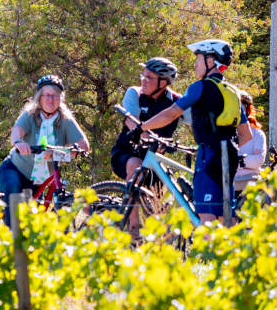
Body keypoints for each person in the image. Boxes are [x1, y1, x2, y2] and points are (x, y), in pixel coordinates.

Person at [139, 39, 251, 224]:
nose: (195, 64)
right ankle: (232, 252)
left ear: (210, 61)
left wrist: (142, 127)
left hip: (209, 156)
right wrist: (225, 144)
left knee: (206, 217)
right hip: (229, 156)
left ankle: (206, 252)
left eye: (198, 59)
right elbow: (247, 135)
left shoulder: (200, 87)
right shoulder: (232, 92)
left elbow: (171, 114)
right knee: (225, 217)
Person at [0, 75, 90, 226]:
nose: (51, 100)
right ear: (39, 97)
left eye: (55, 96)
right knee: (15, 193)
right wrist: (19, 143)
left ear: (60, 99)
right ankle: (13, 242)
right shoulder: (29, 115)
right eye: (47, 95)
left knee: (36, 212)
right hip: (15, 169)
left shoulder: (65, 120)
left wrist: (58, 153)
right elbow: (16, 133)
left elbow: (84, 146)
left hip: (41, 178)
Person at [111, 57, 182, 181]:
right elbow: (131, 121)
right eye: (142, 76)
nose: (143, 81)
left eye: (148, 78)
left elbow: (199, 119)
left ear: (163, 82)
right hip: (126, 153)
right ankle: (131, 199)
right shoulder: (135, 93)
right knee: (136, 166)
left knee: (160, 194)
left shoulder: (176, 102)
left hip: (154, 160)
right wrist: (150, 139)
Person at [232, 92, 267, 195]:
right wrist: (247, 160)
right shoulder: (224, 134)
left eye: (241, 106)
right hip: (228, 185)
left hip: (251, 185)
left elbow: (258, 160)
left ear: (247, 109)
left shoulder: (258, 134)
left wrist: (236, 160)